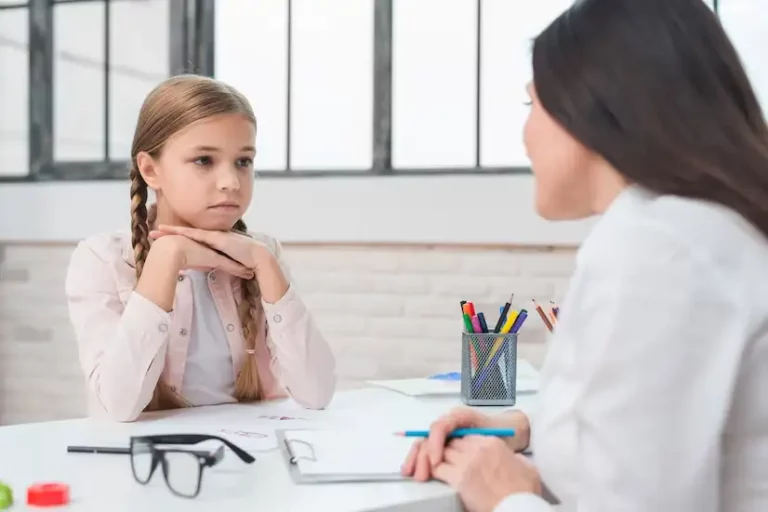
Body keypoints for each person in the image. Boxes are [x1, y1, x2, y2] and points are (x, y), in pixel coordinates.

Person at [403, 0, 768, 510]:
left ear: (592, 107)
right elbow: (672, 427)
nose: (525, 137)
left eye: (533, 105)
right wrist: (526, 428)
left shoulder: (659, 247)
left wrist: (506, 497)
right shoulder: (708, 230)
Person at [65, 75, 336, 422]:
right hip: (142, 466)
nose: (231, 183)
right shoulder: (102, 259)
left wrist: (264, 263)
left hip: (249, 455)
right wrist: (166, 257)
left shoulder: (263, 252)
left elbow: (317, 394)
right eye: (204, 160)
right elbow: (119, 405)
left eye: (243, 161)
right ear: (150, 169)